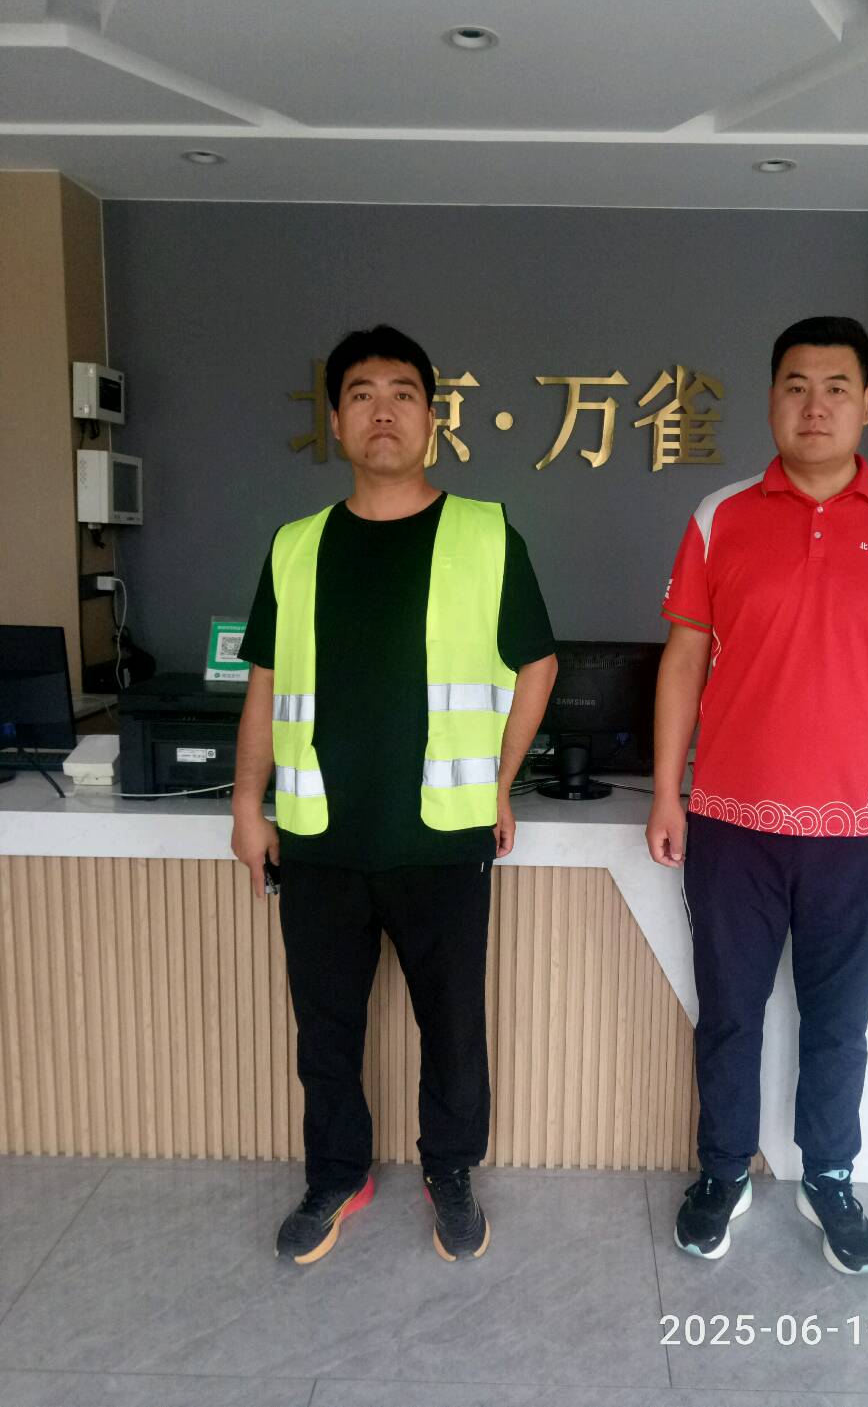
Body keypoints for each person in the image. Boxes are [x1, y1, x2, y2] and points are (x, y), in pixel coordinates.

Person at [232, 324, 557, 1265]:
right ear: (336, 420)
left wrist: (499, 782)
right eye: (362, 394)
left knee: (451, 1025)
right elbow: (265, 685)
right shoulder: (295, 547)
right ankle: (337, 1172)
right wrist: (247, 805)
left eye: (404, 393)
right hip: (321, 836)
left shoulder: (486, 533)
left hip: (441, 835)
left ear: (431, 418)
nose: (384, 410)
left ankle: (449, 1168)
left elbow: (536, 664)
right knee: (325, 1027)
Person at [647, 315, 868, 1275]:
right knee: (730, 1014)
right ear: (771, 401)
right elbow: (683, 660)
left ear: (866, 403)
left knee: (838, 1023)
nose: (814, 405)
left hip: (861, 831)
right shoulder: (720, 517)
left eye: (835, 387)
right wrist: (666, 792)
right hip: (730, 824)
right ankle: (723, 1171)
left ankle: (829, 1175)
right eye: (795, 385)